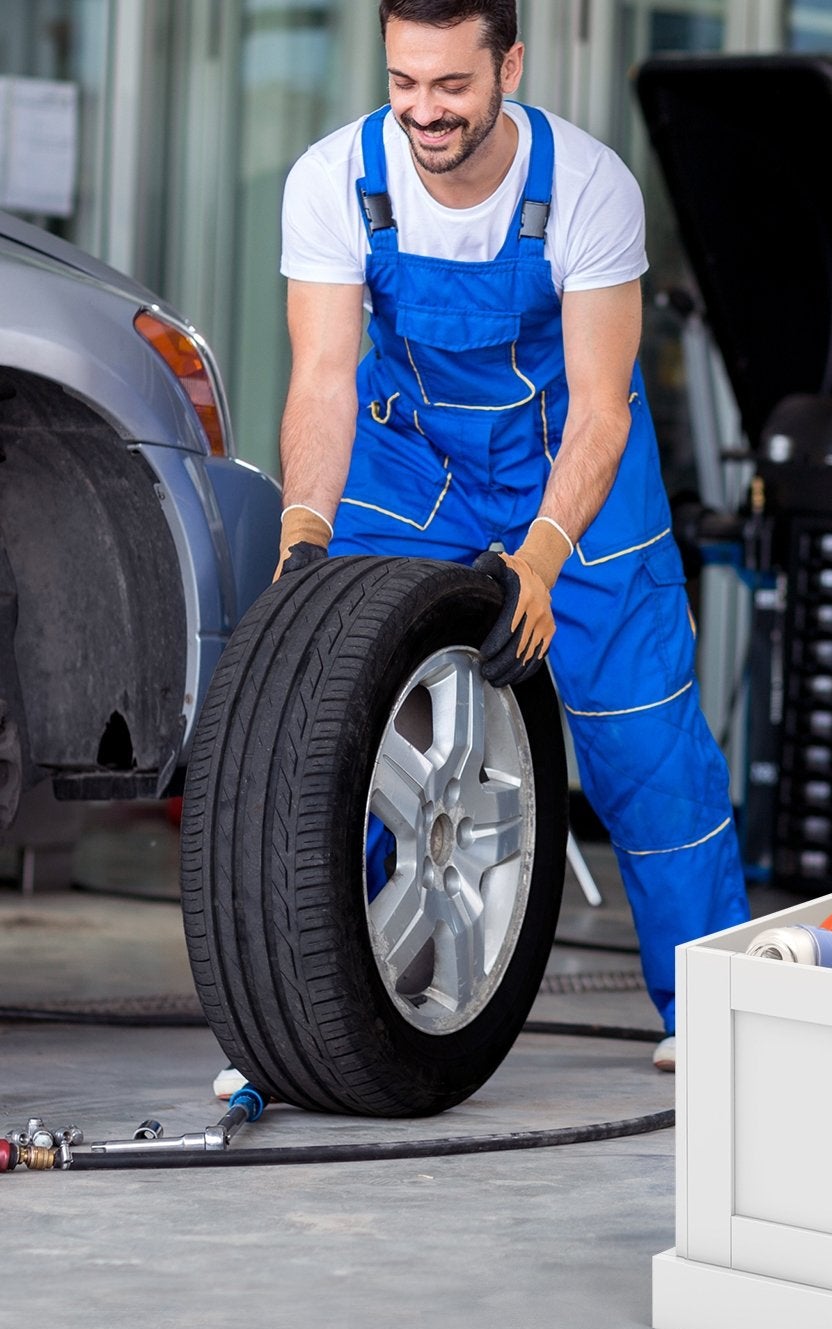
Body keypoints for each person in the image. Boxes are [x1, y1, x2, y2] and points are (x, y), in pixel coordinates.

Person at [249, 0, 747, 1084]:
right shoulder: (334, 179)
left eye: (453, 86)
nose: (425, 111)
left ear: (507, 66)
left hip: (571, 461)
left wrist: (540, 555)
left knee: (647, 748)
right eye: (404, 83)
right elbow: (326, 378)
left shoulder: (587, 187)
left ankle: (707, 1013)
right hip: (412, 460)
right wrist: (304, 531)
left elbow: (605, 409)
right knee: (337, 720)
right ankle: (303, 1014)